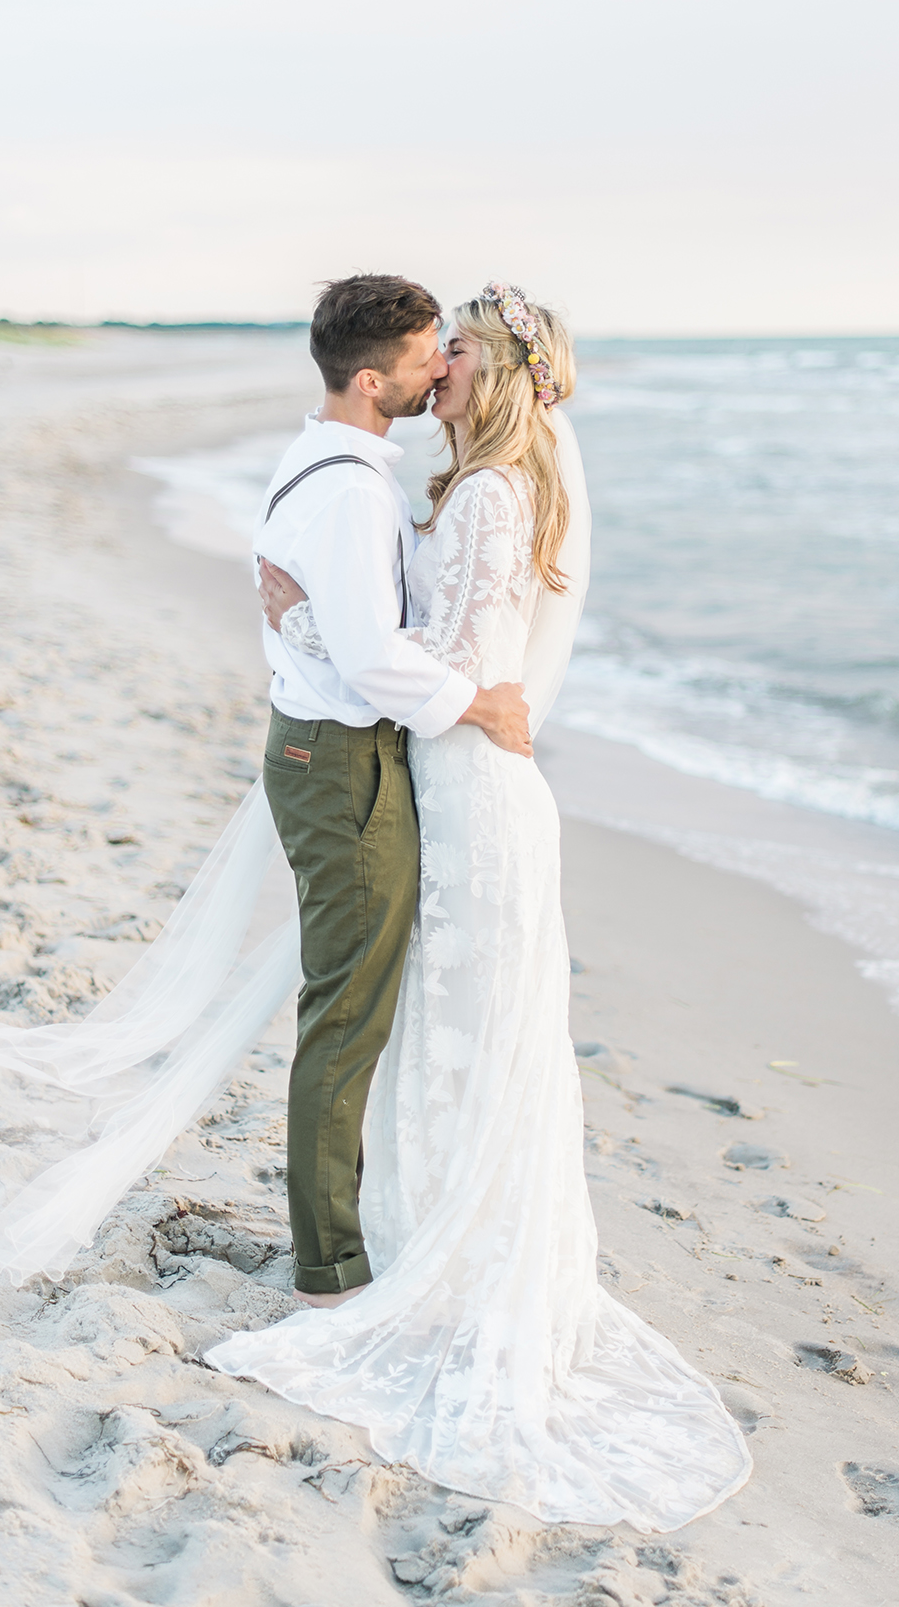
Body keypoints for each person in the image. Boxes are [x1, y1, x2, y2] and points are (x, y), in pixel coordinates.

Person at [206, 283, 752, 1531]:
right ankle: (413, 1240)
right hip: (439, 778)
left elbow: (446, 661)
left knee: (470, 1026)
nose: (439, 366)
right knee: (440, 1021)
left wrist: (329, 634)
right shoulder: (455, 488)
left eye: (455, 350)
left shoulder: (490, 493)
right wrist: (320, 618)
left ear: (495, 371)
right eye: (429, 349)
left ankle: (426, 1261)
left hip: (466, 786)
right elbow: (418, 636)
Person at [249, 274, 533, 1310]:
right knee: (347, 1014)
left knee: (353, 1003)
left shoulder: (329, 459)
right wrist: (482, 706)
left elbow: (343, 629)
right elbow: (375, 661)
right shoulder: (354, 489)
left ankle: (352, 1230)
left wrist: (301, 622)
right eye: (425, 358)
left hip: (329, 752)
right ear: (373, 381)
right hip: (343, 763)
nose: (440, 369)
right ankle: (328, 1267)